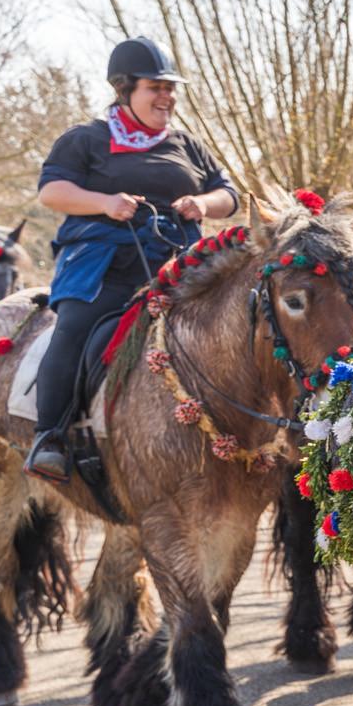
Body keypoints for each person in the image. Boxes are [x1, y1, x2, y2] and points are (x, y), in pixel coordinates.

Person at [24, 36, 238, 480]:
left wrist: (204, 203)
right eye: (155, 87)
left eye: (170, 88)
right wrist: (104, 202)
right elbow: (51, 192)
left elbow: (229, 193)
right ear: (125, 90)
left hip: (179, 265)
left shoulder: (188, 145)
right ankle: (51, 437)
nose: (167, 96)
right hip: (105, 266)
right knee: (75, 329)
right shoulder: (86, 139)